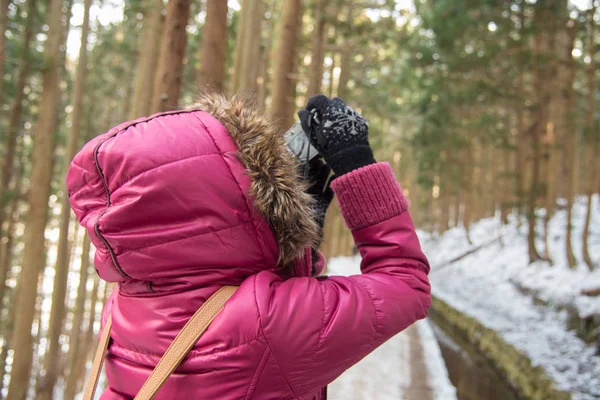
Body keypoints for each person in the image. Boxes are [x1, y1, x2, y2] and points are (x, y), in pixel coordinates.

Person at [67, 93, 431, 399]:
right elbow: (406, 282)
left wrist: (295, 237)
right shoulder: (267, 324)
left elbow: (221, 287)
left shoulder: (124, 304)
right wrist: (356, 164)